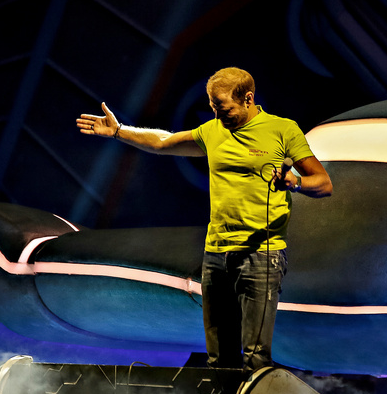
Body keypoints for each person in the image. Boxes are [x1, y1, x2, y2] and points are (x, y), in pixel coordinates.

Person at [76, 67, 332, 371]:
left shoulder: (282, 130)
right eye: (213, 106)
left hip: (261, 255)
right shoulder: (212, 130)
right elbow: (163, 142)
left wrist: (295, 182)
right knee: (219, 359)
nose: (217, 114)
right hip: (216, 256)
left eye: (224, 107)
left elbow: (323, 183)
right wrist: (119, 131)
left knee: (255, 358)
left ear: (248, 99)